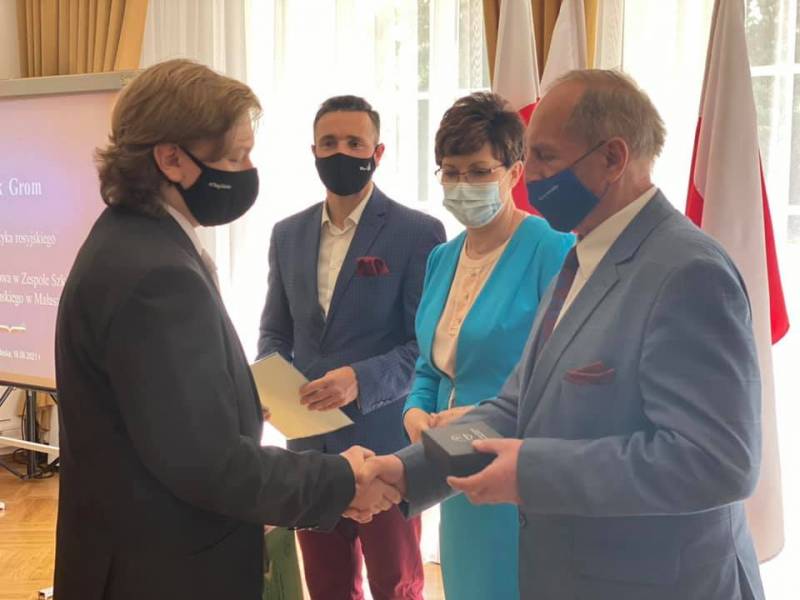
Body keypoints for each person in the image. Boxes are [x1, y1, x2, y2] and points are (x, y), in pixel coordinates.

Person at [369, 69, 765, 599]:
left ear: (613, 158)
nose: (528, 174)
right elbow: (516, 406)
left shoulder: (688, 271)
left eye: (545, 157)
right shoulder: (582, 255)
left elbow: (717, 461)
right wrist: (406, 471)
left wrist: (531, 471)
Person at [54, 59, 399, 600]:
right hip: (165, 573)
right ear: (172, 159)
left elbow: (170, 424)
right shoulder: (155, 275)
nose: (248, 169)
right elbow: (208, 463)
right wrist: (340, 479)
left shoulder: (133, 239)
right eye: (237, 156)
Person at [257, 95, 445, 600]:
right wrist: (270, 384)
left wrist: (360, 380)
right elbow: (275, 333)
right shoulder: (286, 234)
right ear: (313, 152)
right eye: (329, 143)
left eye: (354, 143)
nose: (341, 152)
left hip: (386, 448)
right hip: (309, 452)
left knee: (396, 585)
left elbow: (424, 346)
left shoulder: (418, 233)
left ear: (377, 152)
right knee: (326, 586)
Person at [402, 92, 573, 599]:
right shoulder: (441, 257)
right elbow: (431, 365)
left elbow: (568, 374)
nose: (462, 185)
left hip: (518, 471)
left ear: (514, 172)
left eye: (478, 171)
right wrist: (415, 411)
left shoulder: (553, 248)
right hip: (452, 471)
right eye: (451, 172)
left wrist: (485, 414)